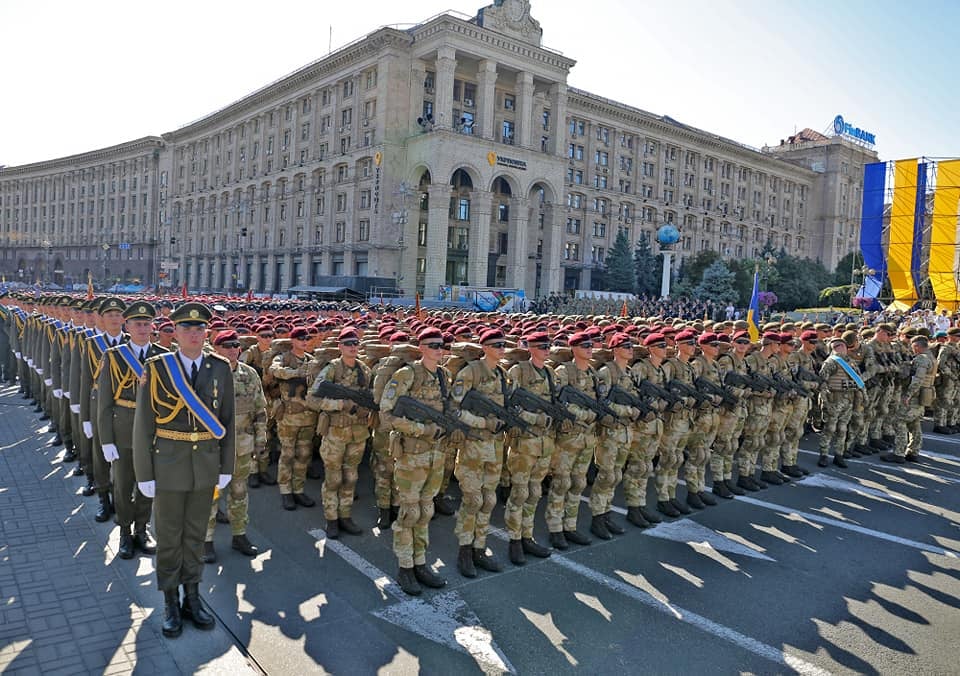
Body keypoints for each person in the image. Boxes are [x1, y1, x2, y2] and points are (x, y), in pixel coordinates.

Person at [133, 302, 235, 638]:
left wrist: (226, 465)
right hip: (168, 464)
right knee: (168, 537)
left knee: (195, 535)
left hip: (205, 465)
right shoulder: (158, 367)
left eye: (200, 329)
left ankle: (193, 595)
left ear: (207, 333)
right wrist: (144, 473)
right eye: (186, 329)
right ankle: (170, 600)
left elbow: (228, 422)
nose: (194, 334)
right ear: (174, 333)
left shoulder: (219, 367)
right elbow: (144, 424)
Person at [378, 327, 451, 596]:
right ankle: (405, 567)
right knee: (409, 512)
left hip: (436, 455)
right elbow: (387, 414)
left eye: (441, 345)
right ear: (421, 348)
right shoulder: (406, 375)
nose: (438, 350)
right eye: (432, 345)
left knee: (425, 511)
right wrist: (423, 429)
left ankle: (421, 563)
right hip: (411, 454)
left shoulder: (445, 376)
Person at [97, 301, 165, 559]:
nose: (143, 328)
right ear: (127, 326)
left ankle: (141, 528)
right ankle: (125, 531)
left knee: (147, 484)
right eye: (138, 324)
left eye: (147, 323)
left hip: (154, 431)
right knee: (124, 485)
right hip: (123, 429)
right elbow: (104, 403)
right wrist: (106, 440)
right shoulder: (113, 356)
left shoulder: (161, 355)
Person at [450, 328, 510, 577]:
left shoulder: (502, 374)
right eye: (496, 344)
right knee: (472, 501)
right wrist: (483, 423)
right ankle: (464, 552)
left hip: (494, 447)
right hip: (473, 446)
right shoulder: (470, 372)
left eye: (503, 344)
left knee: (489, 500)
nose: (501, 348)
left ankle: (479, 548)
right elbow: (453, 409)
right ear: (484, 347)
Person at [202, 329, 264, 562]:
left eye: (235, 345)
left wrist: (260, 440)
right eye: (226, 345)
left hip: (242, 445)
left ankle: (239, 535)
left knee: (239, 492)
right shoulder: (206, 374)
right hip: (213, 448)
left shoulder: (249, 374)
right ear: (216, 349)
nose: (231, 349)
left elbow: (260, 410)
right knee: (211, 494)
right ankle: (206, 540)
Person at [305, 327, 373, 538]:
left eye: (355, 344)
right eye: (348, 343)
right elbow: (312, 399)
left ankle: (345, 515)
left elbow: (368, 398)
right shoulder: (331, 370)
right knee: (333, 478)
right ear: (340, 346)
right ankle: (331, 519)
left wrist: (366, 408)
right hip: (335, 432)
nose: (353, 347)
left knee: (351, 477)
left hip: (358, 432)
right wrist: (341, 404)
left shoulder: (365, 370)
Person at [503, 331, 556, 564]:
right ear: (531, 348)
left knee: (534, 493)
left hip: (544, 444)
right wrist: (536, 419)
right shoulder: (518, 371)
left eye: (549, 346)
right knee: (519, 493)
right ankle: (514, 541)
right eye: (542, 346)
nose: (547, 350)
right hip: (524, 443)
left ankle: (527, 536)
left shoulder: (550, 372)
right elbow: (509, 407)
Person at [269, 326, 321, 510]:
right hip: (289, 416)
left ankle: (298, 489)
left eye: (307, 338)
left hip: (308, 417)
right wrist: (296, 373)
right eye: (300, 338)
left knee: (304, 454)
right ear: (293, 341)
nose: (304, 341)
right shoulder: (283, 358)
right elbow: (275, 370)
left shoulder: (312, 360)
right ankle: (285, 490)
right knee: (287, 454)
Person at [883, 335, 934, 463]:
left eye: (913, 346)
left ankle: (899, 453)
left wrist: (908, 395)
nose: (912, 349)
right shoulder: (931, 357)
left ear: (917, 346)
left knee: (899, 421)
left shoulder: (922, 359)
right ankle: (913, 452)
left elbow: (918, 379)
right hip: (923, 395)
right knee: (915, 424)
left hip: (914, 396)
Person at [817, 337, 863, 468]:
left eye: (843, 345)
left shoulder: (851, 362)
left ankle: (839, 454)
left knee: (843, 429)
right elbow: (822, 383)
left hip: (848, 399)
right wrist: (825, 402)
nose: (841, 348)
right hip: (834, 399)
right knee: (829, 429)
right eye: (837, 346)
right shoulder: (830, 362)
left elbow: (859, 381)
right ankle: (823, 455)